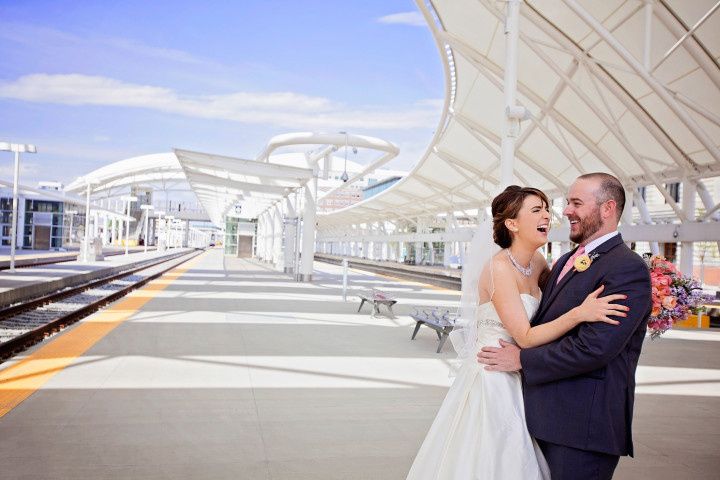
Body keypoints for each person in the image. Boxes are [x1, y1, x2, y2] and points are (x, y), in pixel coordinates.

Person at [406, 185, 628, 479]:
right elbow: (525, 336)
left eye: (547, 209)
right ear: (512, 224)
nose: (548, 216)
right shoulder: (498, 269)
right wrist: (581, 314)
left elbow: (561, 299)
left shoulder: (537, 263)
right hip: (494, 375)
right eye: (537, 210)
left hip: (523, 373)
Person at [478, 173, 652, 480]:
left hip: (582, 428)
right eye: (566, 203)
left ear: (607, 208)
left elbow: (595, 348)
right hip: (539, 416)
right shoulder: (566, 261)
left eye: (576, 203)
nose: (564, 211)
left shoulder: (627, 267)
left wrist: (521, 359)